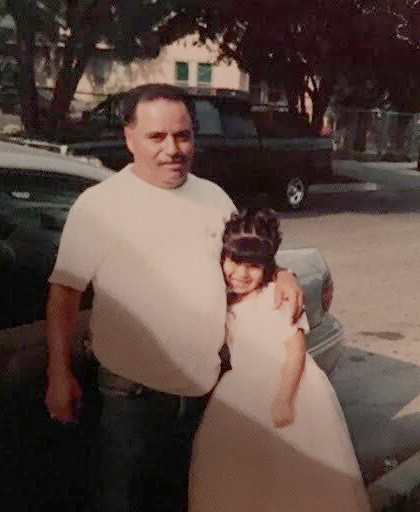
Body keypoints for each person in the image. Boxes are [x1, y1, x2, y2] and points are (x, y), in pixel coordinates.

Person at [44, 84, 304, 512]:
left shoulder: (213, 197)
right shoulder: (99, 206)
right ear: (129, 138)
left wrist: (284, 273)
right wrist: (58, 371)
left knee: (190, 500)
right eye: (157, 137)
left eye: (183, 136)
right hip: (130, 398)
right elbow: (65, 291)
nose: (173, 148)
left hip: (205, 392)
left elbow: (247, 259)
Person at [188, 209, 371, 512]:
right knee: (243, 472)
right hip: (242, 388)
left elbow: (296, 348)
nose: (241, 273)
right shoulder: (227, 298)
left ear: (268, 268)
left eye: (253, 266)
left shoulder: (276, 296)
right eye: (233, 262)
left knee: (289, 474)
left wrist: (285, 397)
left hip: (286, 385)